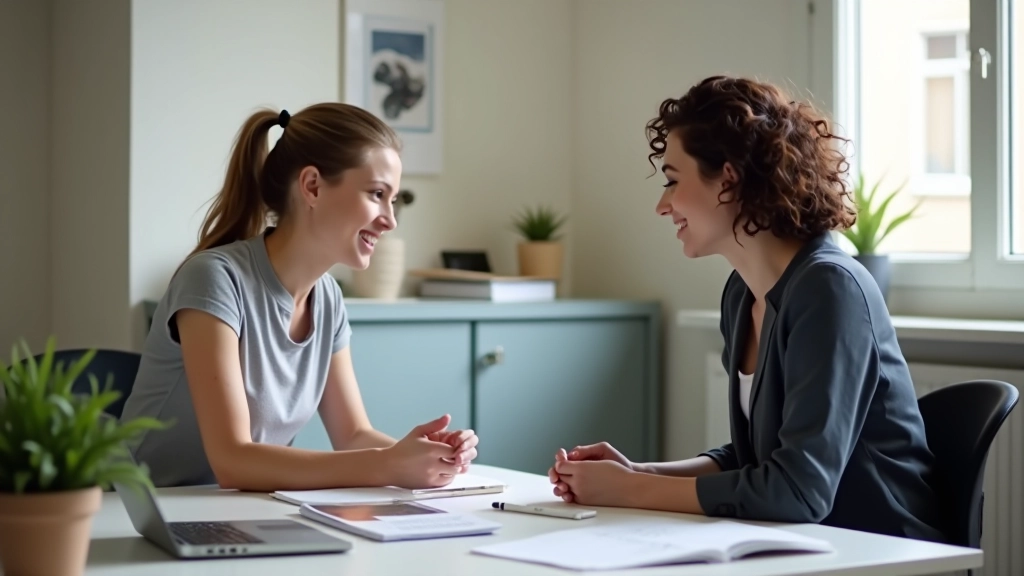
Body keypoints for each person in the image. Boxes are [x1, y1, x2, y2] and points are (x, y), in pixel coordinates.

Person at [547, 75, 948, 543]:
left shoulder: (830, 290)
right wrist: (637, 470)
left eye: (673, 181)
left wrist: (633, 489)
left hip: (879, 552)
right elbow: (752, 460)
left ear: (729, 179)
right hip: (802, 547)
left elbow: (799, 491)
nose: (662, 205)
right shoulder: (741, 294)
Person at [121, 104, 478, 490]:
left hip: (239, 513)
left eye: (393, 200)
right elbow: (233, 460)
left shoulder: (328, 298)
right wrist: (387, 465)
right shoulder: (213, 279)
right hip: (143, 514)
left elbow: (354, 436)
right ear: (312, 186)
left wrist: (423, 457)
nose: (390, 219)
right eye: (377, 194)